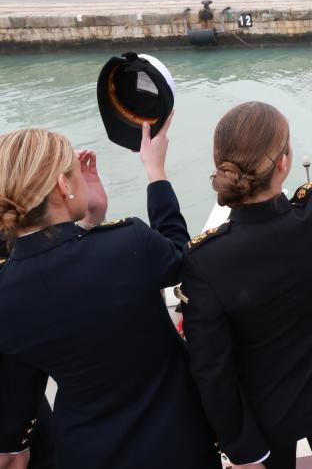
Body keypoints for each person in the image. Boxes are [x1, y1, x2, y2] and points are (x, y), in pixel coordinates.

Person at [181, 52, 312, 469]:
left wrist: (242, 448)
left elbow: (212, 369)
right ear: (285, 164)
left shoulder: (205, 259)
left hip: (264, 411)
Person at [0, 124, 219, 469]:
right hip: (176, 443)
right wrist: (156, 172)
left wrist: (89, 223)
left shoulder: (6, 290)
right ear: (62, 185)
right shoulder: (128, 243)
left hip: (85, 453)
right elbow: (184, 258)